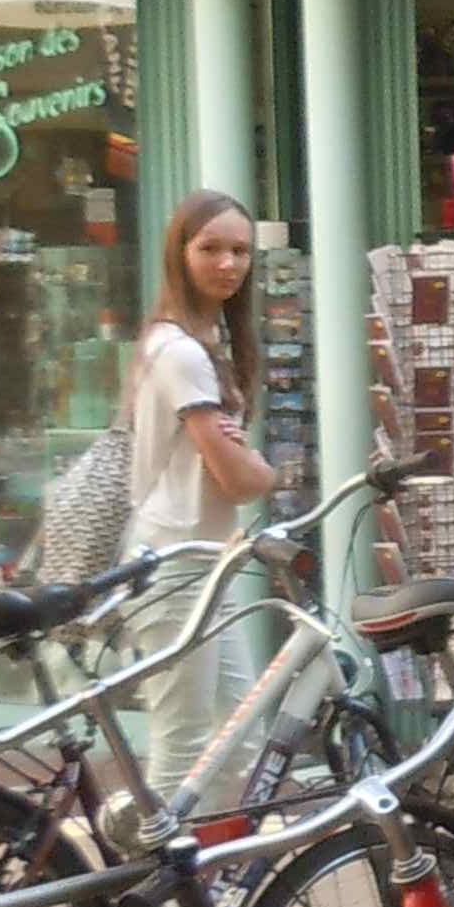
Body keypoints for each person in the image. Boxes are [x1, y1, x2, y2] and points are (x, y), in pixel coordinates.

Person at [125, 192, 280, 799]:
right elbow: (239, 480)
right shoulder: (181, 352)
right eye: (210, 248)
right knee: (184, 743)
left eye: (240, 250)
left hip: (202, 566)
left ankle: (206, 857)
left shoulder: (205, 341)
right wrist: (263, 470)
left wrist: (240, 460)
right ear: (179, 254)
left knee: (239, 740)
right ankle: (154, 862)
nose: (228, 263)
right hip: (171, 568)